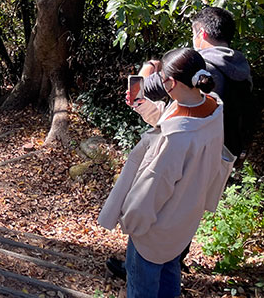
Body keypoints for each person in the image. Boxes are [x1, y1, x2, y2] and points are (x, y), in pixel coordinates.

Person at [105, 6, 254, 281]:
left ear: (202, 32)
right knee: (185, 212)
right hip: (219, 154)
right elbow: (190, 112)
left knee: (167, 217)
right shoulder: (237, 67)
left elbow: (176, 118)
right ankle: (169, 260)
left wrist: (149, 71)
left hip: (194, 154)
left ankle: (149, 266)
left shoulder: (202, 71)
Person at [98, 48, 233, 298]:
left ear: (170, 83)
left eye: (162, 80)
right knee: (170, 272)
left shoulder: (175, 140)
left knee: (143, 287)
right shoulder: (212, 105)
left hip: (154, 228)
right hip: (184, 218)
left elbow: (151, 189)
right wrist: (142, 104)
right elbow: (171, 116)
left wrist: (131, 224)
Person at [142, 6, 254, 159]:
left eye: (193, 33)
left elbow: (142, 88)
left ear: (202, 33)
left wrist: (150, 65)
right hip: (226, 155)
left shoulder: (193, 65)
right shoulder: (242, 66)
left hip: (190, 153)